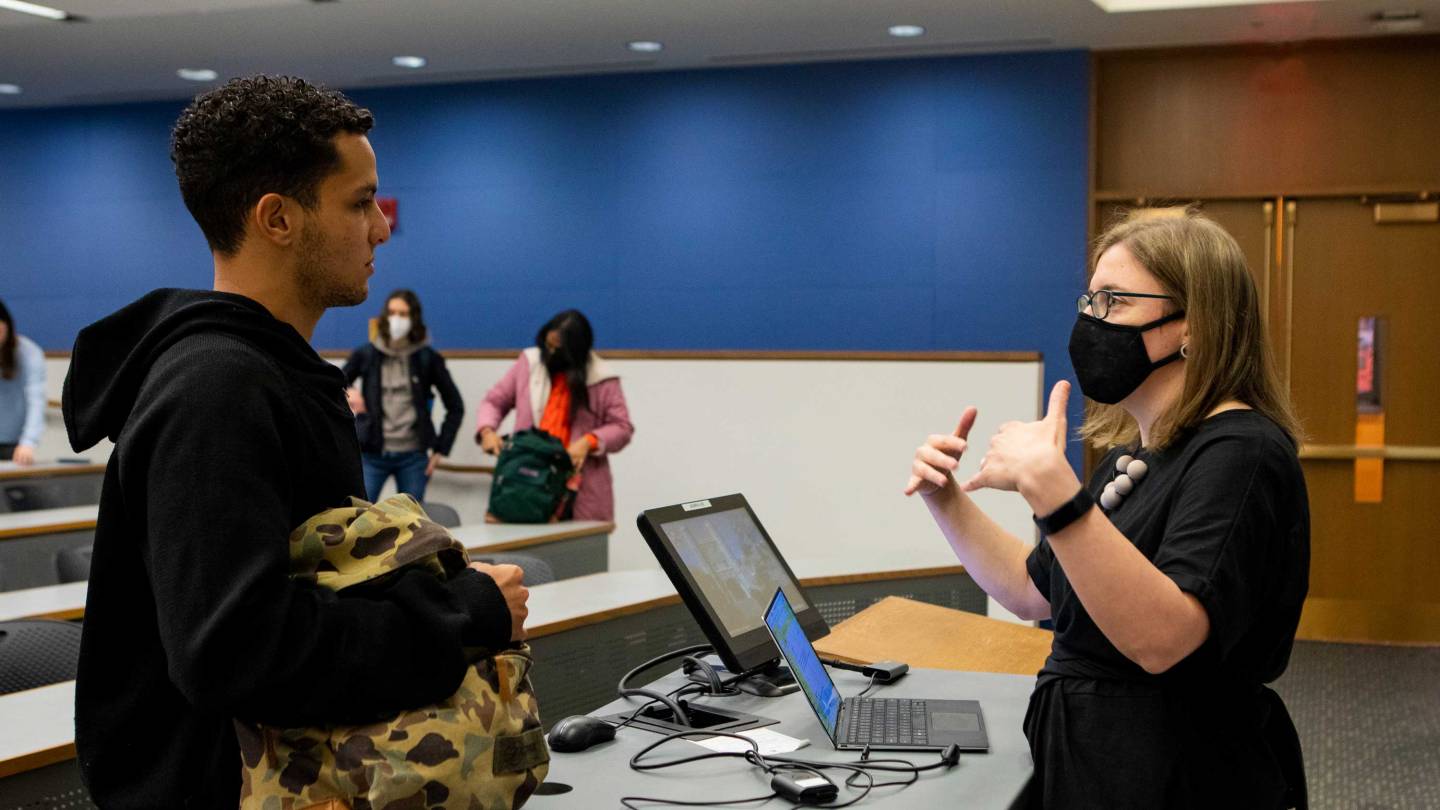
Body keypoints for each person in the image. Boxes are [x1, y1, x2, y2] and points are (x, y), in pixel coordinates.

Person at [61, 76, 529, 808]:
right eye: (359, 203)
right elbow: (236, 651)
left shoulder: (276, 373)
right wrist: (462, 614)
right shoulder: (215, 390)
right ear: (278, 218)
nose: (381, 229)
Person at [906, 210, 1309, 809]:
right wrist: (945, 497)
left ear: (1194, 324)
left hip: (1180, 778)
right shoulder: (1135, 457)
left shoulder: (1242, 452)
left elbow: (1164, 638)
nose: (1090, 322)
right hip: (1100, 763)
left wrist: (1052, 491)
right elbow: (1034, 590)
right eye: (1089, 301)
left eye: (1114, 302)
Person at [476, 309, 634, 521]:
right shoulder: (530, 363)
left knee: (580, 542)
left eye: (558, 349)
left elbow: (622, 427)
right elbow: (494, 401)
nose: (550, 353)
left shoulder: (602, 376)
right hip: (527, 480)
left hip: (577, 489)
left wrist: (589, 441)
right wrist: (487, 431)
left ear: (576, 352)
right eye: (547, 345)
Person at [342, 288, 464, 502]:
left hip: (413, 457)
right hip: (372, 452)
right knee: (359, 513)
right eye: (392, 313)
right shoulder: (367, 354)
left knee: (411, 519)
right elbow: (336, 382)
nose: (396, 319)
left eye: (403, 314)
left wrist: (441, 449)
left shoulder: (427, 358)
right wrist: (350, 391)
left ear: (413, 318)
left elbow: (455, 405)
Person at [0, 298, 45, 465]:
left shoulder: (29, 353)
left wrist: (28, 441)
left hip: (14, 443)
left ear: (8, 326)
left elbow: (36, 400)